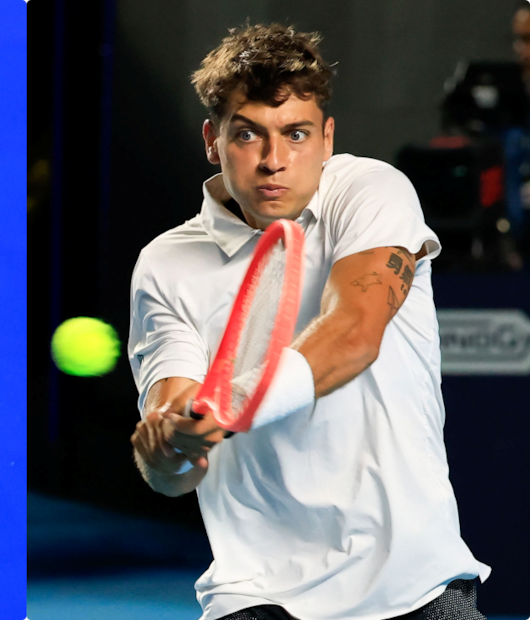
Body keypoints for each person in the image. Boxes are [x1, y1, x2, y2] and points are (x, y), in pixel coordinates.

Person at [128, 24, 488, 620]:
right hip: (256, 594)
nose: (274, 161)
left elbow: (353, 335)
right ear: (213, 142)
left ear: (326, 137)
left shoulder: (371, 190)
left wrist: (230, 404)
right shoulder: (165, 263)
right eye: (247, 135)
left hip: (413, 584)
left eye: (295, 134)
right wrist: (169, 448)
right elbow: (173, 466)